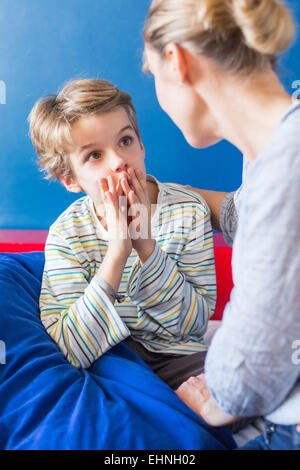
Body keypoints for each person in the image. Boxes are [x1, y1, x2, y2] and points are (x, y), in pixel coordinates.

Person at [143, 0, 300, 450]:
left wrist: (217, 402)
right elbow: (253, 218)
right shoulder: (272, 152)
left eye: (152, 75)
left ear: (177, 61)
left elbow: (256, 364)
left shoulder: (288, 162)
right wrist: (162, 195)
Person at [28, 78, 217, 390]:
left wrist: (145, 245)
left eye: (125, 141)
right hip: (111, 361)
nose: (119, 161)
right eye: (94, 155)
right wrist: (118, 252)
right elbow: (69, 348)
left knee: (234, 387)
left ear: (141, 146)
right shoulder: (66, 234)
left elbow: (191, 326)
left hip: (179, 358)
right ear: (70, 180)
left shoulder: (189, 210)